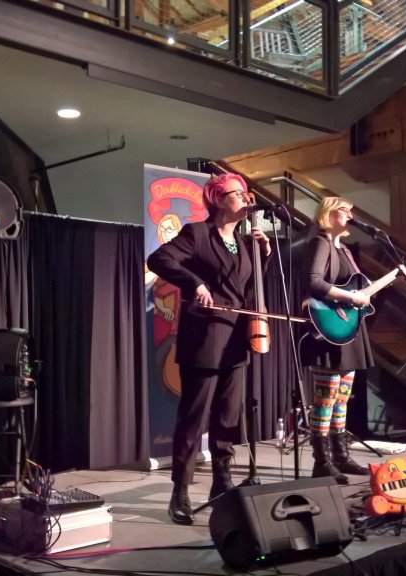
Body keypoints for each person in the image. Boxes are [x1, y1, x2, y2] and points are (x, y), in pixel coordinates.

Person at [146, 173, 270, 525]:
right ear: (217, 199)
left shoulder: (246, 243)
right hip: (203, 338)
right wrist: (195, 283)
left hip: (236, 339)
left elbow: (248, 288)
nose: (245, 198)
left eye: (246, 193)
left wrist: (264, 255)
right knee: (193, 417)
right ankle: (180, 491)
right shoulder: (197, 234)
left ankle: (222, 483)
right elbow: (159, 259)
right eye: (237, 193)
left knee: (228, 417)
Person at [301, 197, 374, 484]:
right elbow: (314, 283)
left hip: (347, 329)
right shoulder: (320, 243)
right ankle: (322, 461)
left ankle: (341, 456)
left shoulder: (343, 248)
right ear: (329, 214)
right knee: (326, 398)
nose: (349, 215)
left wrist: (364, 293)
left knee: (342, 398)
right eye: (344, 210)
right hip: (329, 330)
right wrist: (350, 297)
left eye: (351, 211)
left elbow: (353, 284)